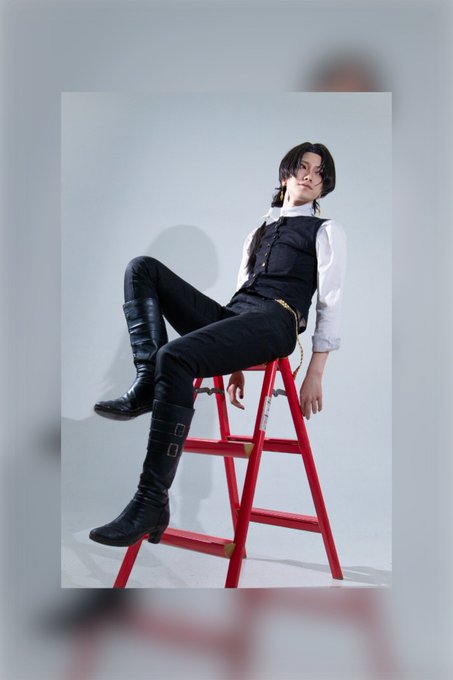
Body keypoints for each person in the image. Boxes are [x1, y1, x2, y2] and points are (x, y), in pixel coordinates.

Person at [89, 142, 347, 547]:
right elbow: (241, 293)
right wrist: (234, 362)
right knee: (142, 269)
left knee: (174, 356)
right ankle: (146, 381)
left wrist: (315, 373)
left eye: (319, 172)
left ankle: (150, 501)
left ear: (324, 186)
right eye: (303, 166)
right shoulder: (257, 232)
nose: (310, 176)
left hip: (277, 321)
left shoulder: (326, 230)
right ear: (285, 174)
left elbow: (331, 302)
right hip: (238, 317)